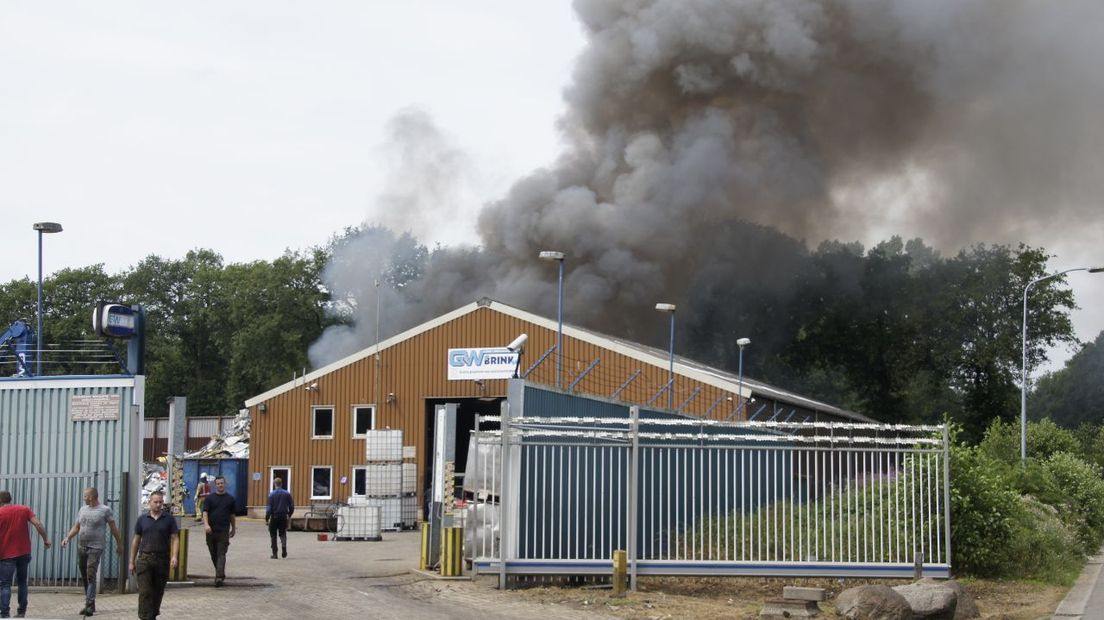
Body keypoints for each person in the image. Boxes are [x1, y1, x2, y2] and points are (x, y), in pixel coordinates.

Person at [60, 488, 124, 617]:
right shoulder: (82, 510)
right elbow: (77, 527)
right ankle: (91, 602)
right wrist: (67, 537)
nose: (83, 497)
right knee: (84, 574)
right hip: (82, 546)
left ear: (91, 497)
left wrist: (119, 543)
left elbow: (113, 528)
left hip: (96, 547)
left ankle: (88, 605)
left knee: (90, 574)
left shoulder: (105, 510)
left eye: (85, 496)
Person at [0, 490, 51, 619]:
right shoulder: (24, 509)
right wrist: (45, 539)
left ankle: (5, 614)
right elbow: (38, 523)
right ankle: (21, 612)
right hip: (24, 552)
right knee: (22, 581)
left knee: (5, 584)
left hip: (6, 554)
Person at [129, 491, 178, 620]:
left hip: (161, 559)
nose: (158, 505)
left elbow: (175, 538)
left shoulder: (169, 519)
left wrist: (174, 556)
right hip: (145, 559)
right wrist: (131, 561)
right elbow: (136, 540)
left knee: (157, 592)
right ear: (149, 503)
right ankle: (145, 616)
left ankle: (152, 614)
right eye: (155, 502)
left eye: (160, 502)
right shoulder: (142, 520)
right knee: (145, 592)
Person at [201, 475, 236, 587]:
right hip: (211, 531)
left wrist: (233, 528)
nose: (220, 485)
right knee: (213, 554)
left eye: (222, 483)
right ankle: (220, 573)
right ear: (215, 485)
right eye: (218, 483)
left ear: (225, 484)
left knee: (221, 553)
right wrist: (206, 525)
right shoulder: (210, 498)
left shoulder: (230, 499)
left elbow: (232, 515)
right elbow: (205, 512)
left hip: (223, 531)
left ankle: (219, 577)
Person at [265, 478, 295, 559]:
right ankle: (284, 550)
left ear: (274, 484)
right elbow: (291, 506)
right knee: (283, 533)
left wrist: (267, 518)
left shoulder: (271, 495)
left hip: (274, 517)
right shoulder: (287, 494)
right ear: (281, 484)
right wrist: (289, 514)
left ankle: (275, 554)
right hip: (283, 517)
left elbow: (269, 509)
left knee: (273, 535)